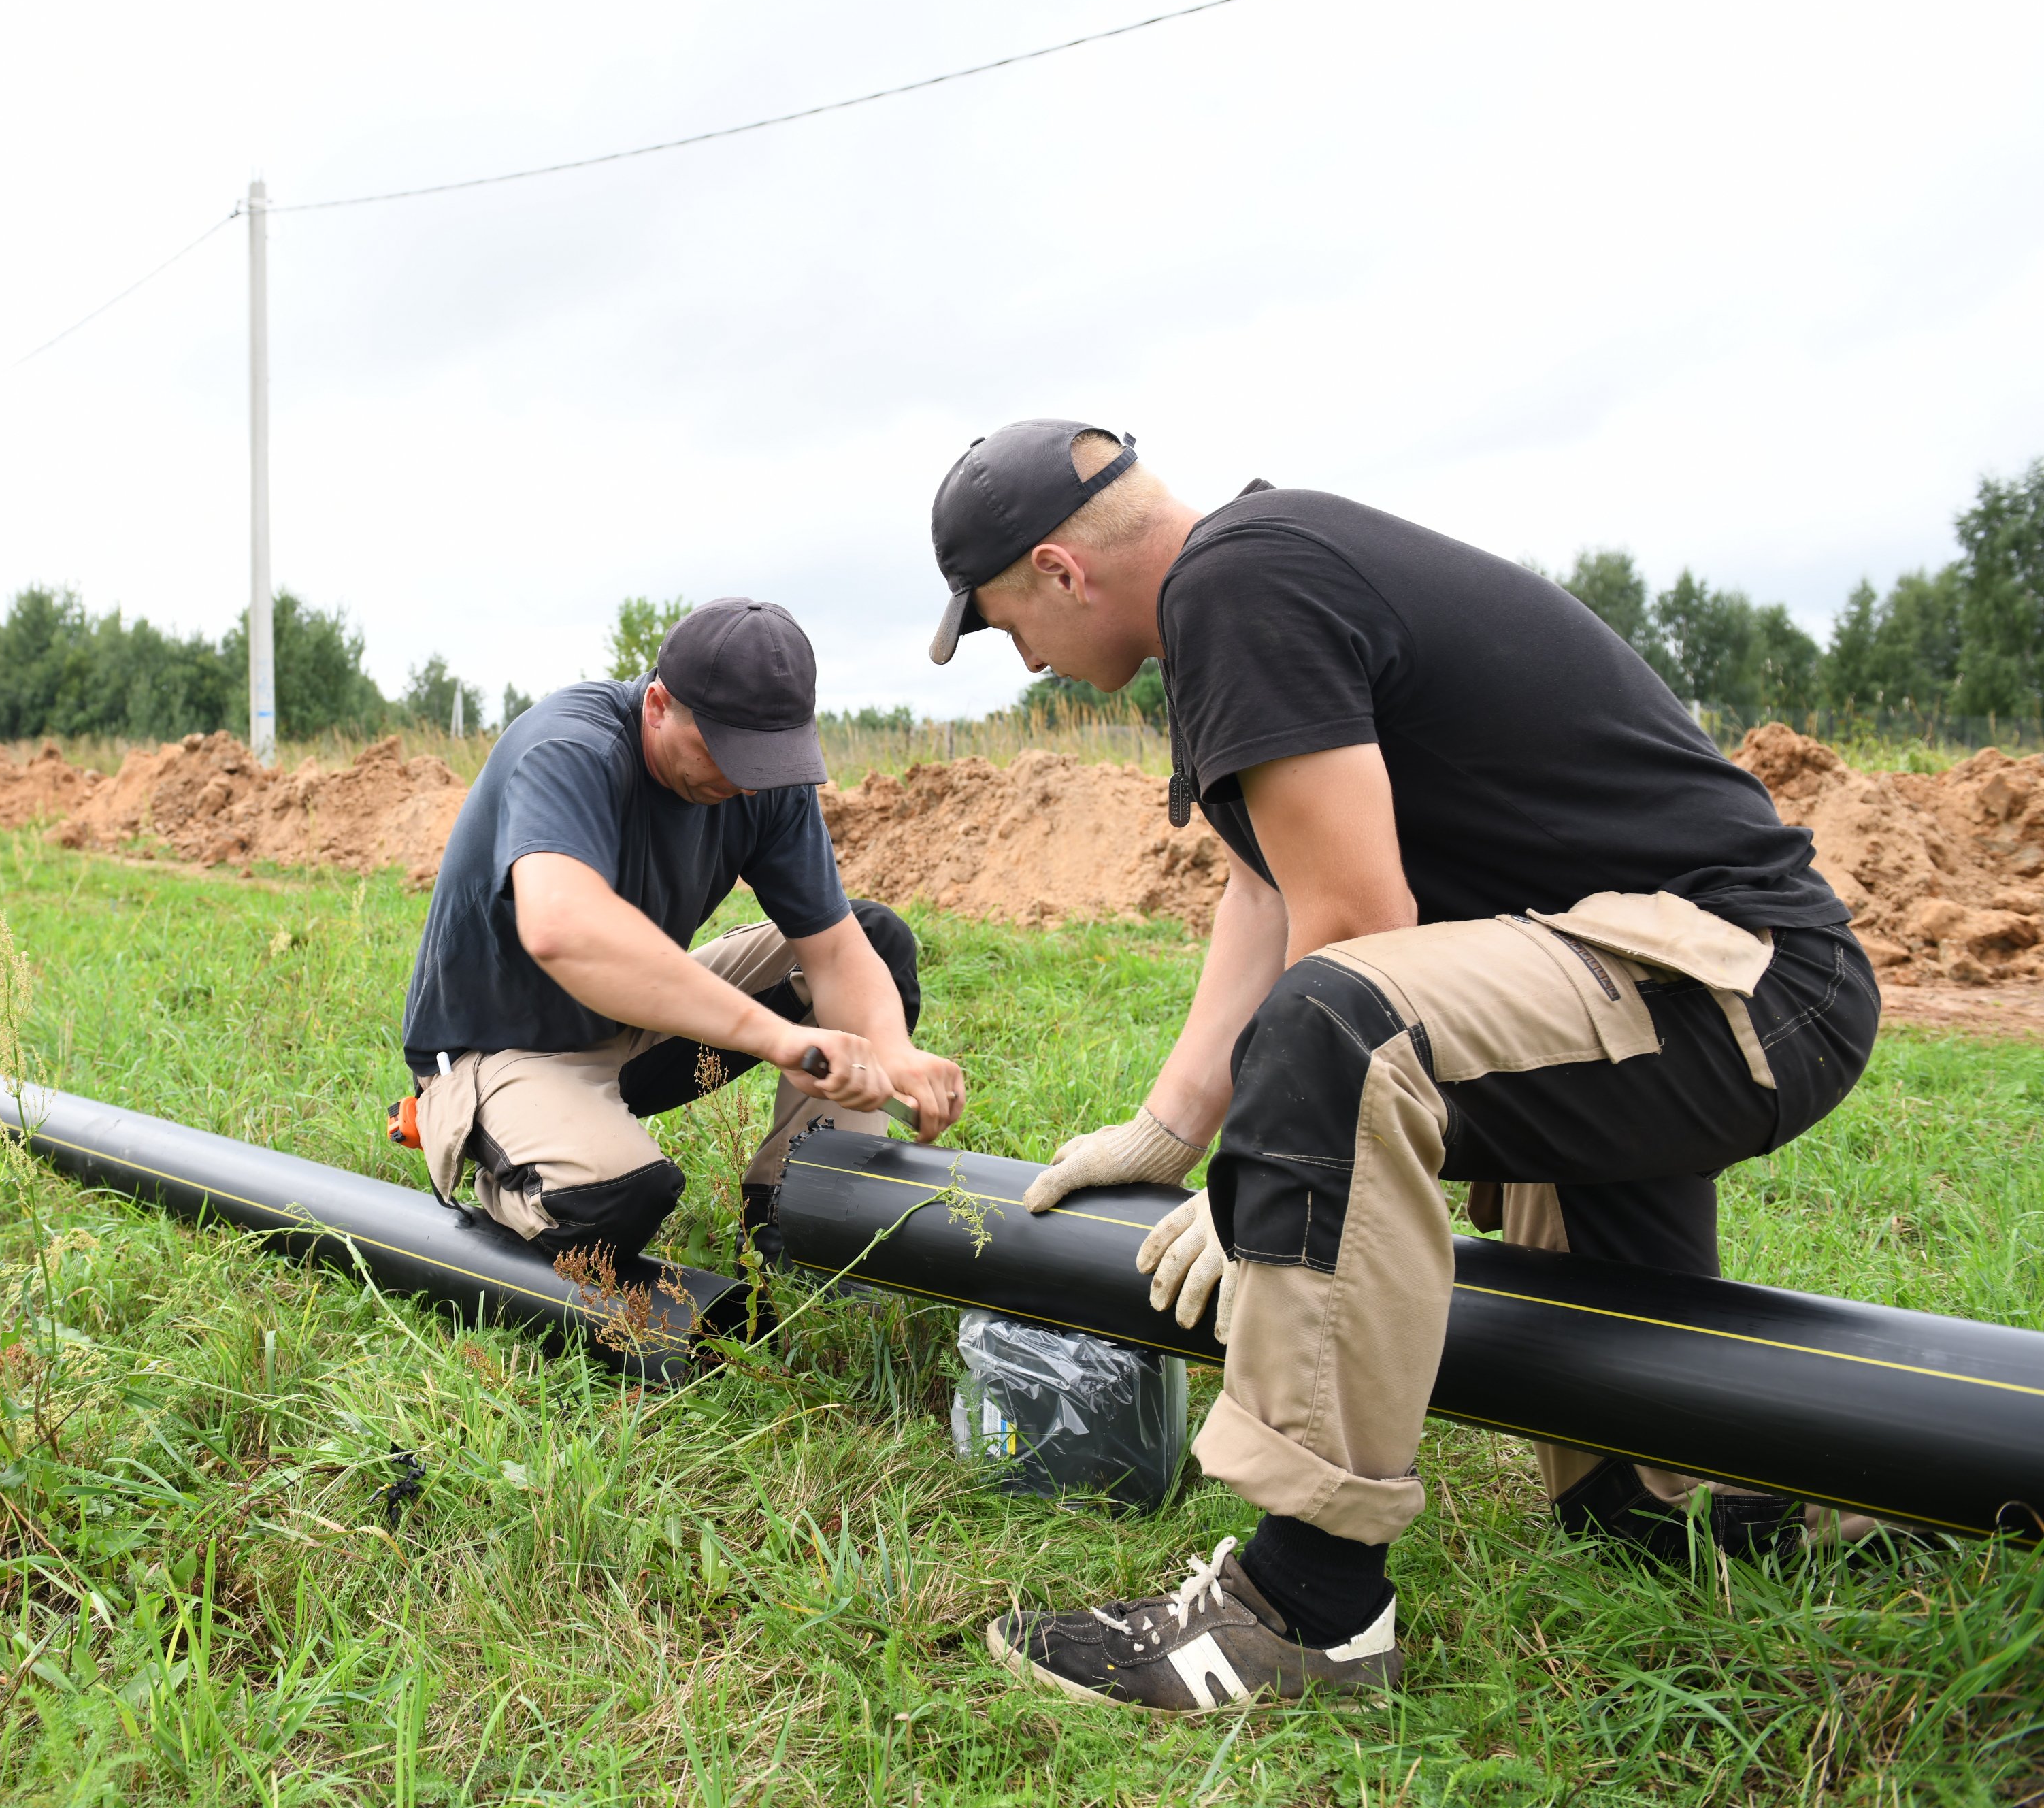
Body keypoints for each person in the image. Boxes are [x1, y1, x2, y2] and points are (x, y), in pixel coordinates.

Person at [925, 421, 1877, 1712]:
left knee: (1336, 1029)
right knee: (1631, 1496)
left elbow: (1356, 930)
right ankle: (1738, 1495)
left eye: (998, 623)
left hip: (1735, 984)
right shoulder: (1251, 576)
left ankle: (1304, 1608)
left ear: (1057, 569)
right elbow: (1266, 887)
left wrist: (1268, 1169)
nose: (1019, 657)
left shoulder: (1237, 585)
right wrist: (1172, 1125)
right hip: (1639, 976)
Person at [401, 597, 968, 1277]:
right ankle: (508, 1144)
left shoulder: (762, 782)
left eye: (767, 760)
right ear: (659, 704)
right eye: (722, 754)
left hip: (629, 1027)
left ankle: (801, 1219)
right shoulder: (572, 749)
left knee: (876, 937)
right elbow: (562, 929)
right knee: (611, 1203)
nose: (743, 782)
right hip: (497, 1044)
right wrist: (776, 1037)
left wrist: (894, 1054)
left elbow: (838, 950)